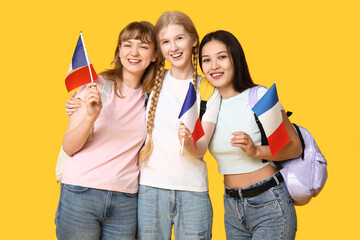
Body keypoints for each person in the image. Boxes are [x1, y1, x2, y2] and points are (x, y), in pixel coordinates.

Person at [55, 21, 158, 240]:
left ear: (155, 55)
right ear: (119, 51)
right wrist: (91, 117)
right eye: (127, 44)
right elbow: (69, 146)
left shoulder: (153, 97)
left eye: (143, 46)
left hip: (126, 200)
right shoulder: (96, 86)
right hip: (81, 193)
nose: (134, 52)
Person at [198, 30, 302, 239]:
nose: (214, 66)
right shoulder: (207, 105)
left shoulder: (259, 96)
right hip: (231, 206)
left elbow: (294, 146)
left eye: (221, 57)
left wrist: (256, 150)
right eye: (206, 60)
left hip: (269, 203)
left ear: (235, 58)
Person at [137, 11, 221, 240]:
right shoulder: (150, 82)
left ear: (194, 40)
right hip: (151, 190)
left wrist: (189, 142)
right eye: (165, 41)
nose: (173, 47)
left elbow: (201, 149)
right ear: (159, 49)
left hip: (193, 192)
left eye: (179, 38)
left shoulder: (208, 91)